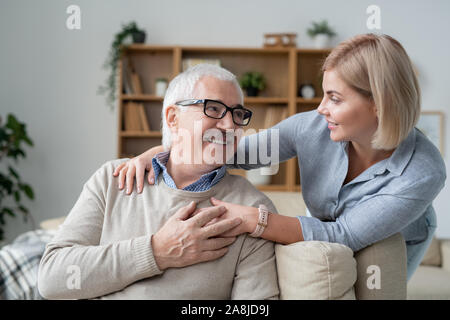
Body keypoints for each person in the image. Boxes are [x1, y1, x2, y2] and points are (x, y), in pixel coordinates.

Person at [114, 34, 447, 281]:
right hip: (329, 226)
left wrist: (252, 219)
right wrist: (159, 150)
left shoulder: (422, 172)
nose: (321, 109)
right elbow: (234, 152)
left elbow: (344, 234)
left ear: (379, 104)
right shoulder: (312, 128)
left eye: (334, 98)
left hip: (396, 239)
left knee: (375, 270)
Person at [37, 64, 279, 299]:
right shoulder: (113, 179)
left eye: (238, 114)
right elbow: (52, 278)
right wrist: (157, 251)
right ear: (173, 118)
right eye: (213, 109)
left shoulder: (252, 210)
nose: (230, 126)